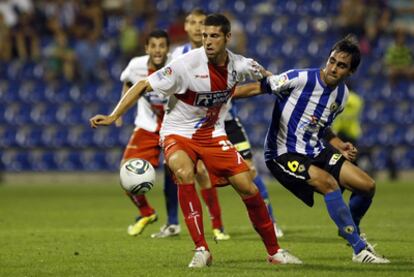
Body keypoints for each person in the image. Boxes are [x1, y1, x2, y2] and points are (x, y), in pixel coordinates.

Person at [90, 13, 301, 268]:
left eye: (214, 36)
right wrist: (114, 116)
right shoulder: (185, 64)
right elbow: (143, 84)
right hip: (178, 131)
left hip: (213, 134)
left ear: (227, 38)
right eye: (204, 36)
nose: (208, 41)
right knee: (182, 171)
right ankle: (201, 248)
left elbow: (268, 78)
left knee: (248, 187)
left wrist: (282, 85)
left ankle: (274, 252)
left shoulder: (241, 65)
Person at [262, 35, 390, 263]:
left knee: (367, 186)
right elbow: (258, 87)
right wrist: (219, 97)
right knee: (330, 185)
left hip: (315, 149)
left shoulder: (342, 96)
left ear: (350, 72)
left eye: (341, 65)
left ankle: (350, 229)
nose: (333, 68)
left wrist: (339, 144)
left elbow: (321, 126)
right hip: (284, 152)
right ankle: (359, 249)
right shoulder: (302, 78)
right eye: (332, 61)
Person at [172, 8, 284, 238]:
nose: (197, 29)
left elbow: (256, 75)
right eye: (192, 23)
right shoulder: (180, 57)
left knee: (249, 171)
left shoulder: (228, 57)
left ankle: (270, 222)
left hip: (228, 122)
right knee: (196, 173)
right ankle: (213, 226)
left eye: (202, 25)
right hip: (196, 127)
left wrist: (271, 85)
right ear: (188, 28)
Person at [115, 29, 179, 236]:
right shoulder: (136, 66)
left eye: (162, 46)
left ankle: (173, 223)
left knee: (176, 176)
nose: (158, 50)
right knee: (126, 172)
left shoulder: (178, 64)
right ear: (146, 48)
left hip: (174, 126)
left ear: (168, 49)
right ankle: (146, 212)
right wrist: (120, 111)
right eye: (153, 46)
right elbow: (127, 82)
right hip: (147, 126)